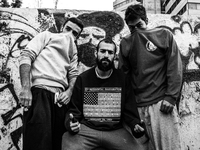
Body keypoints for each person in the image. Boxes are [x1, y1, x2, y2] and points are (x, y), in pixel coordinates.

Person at [62, 38, 146, 150]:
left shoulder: (123, 79)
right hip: (87, 130)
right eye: (103, 51)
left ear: (114, 56)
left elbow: (129, 112)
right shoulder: (83, 78)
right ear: (96, 53)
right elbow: (74, 110)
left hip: (114, 131)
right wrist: (71, 124)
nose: (106, 55)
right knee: (67, 141)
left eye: (110, 52)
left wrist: (135, 125)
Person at [119, 4, 183, 150]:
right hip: (137, 108)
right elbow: (124, 77)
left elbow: (175, 67)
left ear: (146, 20)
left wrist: (171, 97)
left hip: (161, 105)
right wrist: (130, 112)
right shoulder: (125, 43)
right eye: (131, 27)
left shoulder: (164, 35)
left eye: (139, 25)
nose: (136, 30)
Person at [19, 17, 84, 150]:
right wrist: (26, 88)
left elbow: (73, 74)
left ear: (77, 37)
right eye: (68, 29)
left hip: (59, 101)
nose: (69, 34)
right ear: (62, 28)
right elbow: (26, 56)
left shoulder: (73, 50)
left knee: (57, 144)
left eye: (74, 33)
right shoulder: (46, 36)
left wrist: (69, 92)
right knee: (37, 143)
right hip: (40, 95)